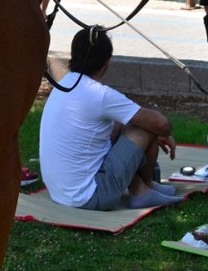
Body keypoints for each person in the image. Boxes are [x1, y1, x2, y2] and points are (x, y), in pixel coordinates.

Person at [39, 26, 182, 210]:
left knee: (121, 123)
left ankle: (141, 187)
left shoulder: (65, 83)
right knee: (145, 127)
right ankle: (144, 191)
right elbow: (160, 124)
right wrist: (163, 132)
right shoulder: (99, 94)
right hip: (88, 197)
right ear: (107, 63)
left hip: (61, 192)